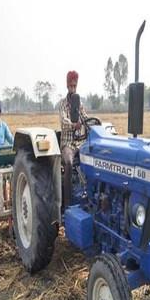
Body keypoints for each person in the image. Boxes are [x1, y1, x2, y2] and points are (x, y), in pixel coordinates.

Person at [59, 70, 88, 209]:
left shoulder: (79, 102)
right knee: (69, 163)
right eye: (70, 86)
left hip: (79, 142)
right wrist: (73, 124)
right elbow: (64, 121)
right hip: (67, 144)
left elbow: (85, 117)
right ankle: (67, 202)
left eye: (74, 86)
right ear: (67, 86)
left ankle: (87, 193)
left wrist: (90, 123)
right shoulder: (63, 104)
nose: (72, 88)